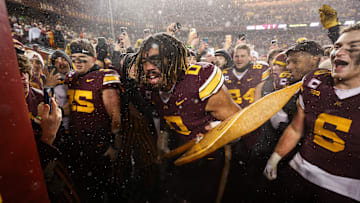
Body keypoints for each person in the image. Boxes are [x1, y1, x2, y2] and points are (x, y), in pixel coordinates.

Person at [133, 33, 240, 202]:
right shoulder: (149, 88)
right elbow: (167, 116)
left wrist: (218, 130)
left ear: (173, 59)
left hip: (212, 158)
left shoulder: (197, 80)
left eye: (155, 60)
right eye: (145, 61)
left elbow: (239, 123)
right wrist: (163, 141)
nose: (148, 68)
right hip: (183, 157)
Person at [264, 23, 360, 202]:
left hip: (344, 191)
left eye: (353, 47)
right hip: (296, 173)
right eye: (337, 46)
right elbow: (296, 128)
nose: (338, 52)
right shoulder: (314, 81)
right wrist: (275, 158)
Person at [65, 39, 121, 201]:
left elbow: (115, 116)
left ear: (94, 59)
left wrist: (115, 145)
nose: (77, 62)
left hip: (99, 146)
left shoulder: (105, 76)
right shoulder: (71, 78)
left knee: (101, 191)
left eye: (82, 59)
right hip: (77, 145)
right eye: (74, 58)